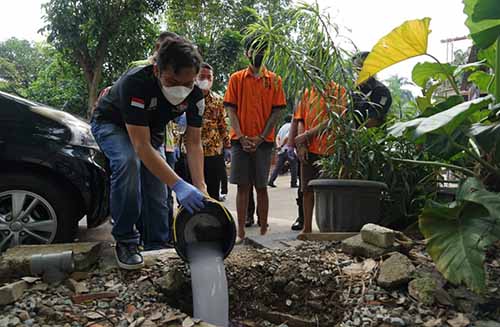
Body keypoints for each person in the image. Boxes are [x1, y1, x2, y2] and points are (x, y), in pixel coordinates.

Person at [91, 37, 207, 269]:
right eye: (173, 81)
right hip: (112, 124)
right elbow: (140, 146)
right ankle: (126, 239)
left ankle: (157, 243)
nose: (181, 90)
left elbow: (194, 143)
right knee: (128, 162)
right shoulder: (136, 82)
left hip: (150, 129)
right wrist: (179, 185)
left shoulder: (195, 96)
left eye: (188, 83)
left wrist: (201, 186)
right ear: (157, 70)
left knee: (158, 183)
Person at [224, 37, 287, 240]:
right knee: (242, 187)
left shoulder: (275, 80)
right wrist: (241, 137)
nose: (258, 52)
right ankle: (241, 232)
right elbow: (231, 110)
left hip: (264, 142)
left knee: (262, 186)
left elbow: (277, 112)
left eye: (262, 49)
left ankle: (263, 230)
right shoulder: (236, 79)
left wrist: (260, 137)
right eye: (254, 49)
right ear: (247, 53)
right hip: (239, 142)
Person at [291, 82, 347, 238]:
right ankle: (307, 227)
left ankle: (329, 228)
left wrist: (307, 135)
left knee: (329, 191)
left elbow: (333, 120)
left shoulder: (338, 90)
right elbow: (300, 119)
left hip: (330, 149)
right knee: (306, 190)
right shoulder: (308, 91)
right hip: (309, 149)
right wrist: (302, 144)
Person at [196, 62, 231, 200]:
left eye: (208, 77)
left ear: (213, 79)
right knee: (193, 190)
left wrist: (227, 146)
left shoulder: (218, 100)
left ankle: (212, 219)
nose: (205, 79)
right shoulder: (187, 97)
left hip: (213, 151)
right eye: (202, 76)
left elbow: (223, 125)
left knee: (212, 191)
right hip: (190, 152)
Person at [268, 114, 298, 188]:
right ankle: (293, 183)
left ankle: (271, 181)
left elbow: (277, 137)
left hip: (281, 151)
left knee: (277, 167)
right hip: (289, 150)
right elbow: (287, 137)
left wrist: (278, 146)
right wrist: (282, 145)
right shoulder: (291, 126)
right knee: (294, 166)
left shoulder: (282, 127)